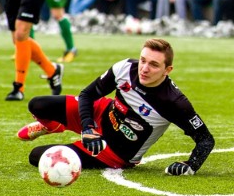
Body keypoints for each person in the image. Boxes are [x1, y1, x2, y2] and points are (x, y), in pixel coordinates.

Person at [16, 38, 215, 175]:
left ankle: (61, 128)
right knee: (37, 104)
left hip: (113, 153)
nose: (144, 69)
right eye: (143, 61)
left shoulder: (174, 102)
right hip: (101, 113)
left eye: (154, 65)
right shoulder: (126, 68)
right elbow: (87, 94)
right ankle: (53, 126)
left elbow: (206, 139)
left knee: (37, 157)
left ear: (167, 70)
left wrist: (190, 165)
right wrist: (88, 127)